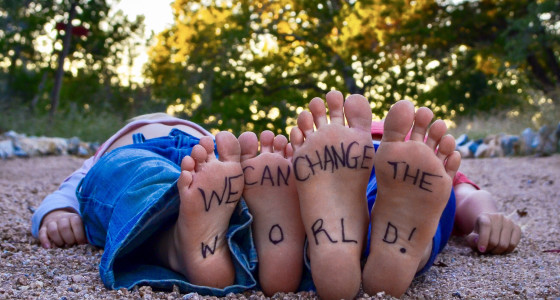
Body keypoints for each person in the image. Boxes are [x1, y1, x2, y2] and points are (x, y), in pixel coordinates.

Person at [31, 91, 521, 299]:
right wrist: (483, 215)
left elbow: (76, 189)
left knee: (129, 179)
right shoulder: (198, 155)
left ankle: (187, 246)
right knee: (195, 189)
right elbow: (463, 189)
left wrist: (58, 208)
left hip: (161, 157)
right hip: (203, 163)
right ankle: (373, 245)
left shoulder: (126, 150)